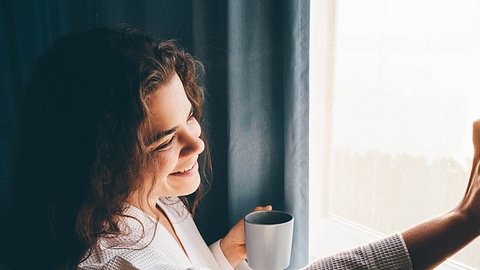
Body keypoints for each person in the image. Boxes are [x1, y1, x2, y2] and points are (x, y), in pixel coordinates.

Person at [10, 25, 480, 270]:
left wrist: (222, 253)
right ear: (101, 162)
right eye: (165, 139)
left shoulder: (152, 197)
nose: (198, 141)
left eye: (189, 116)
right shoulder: (110, 260)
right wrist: (461, 223)